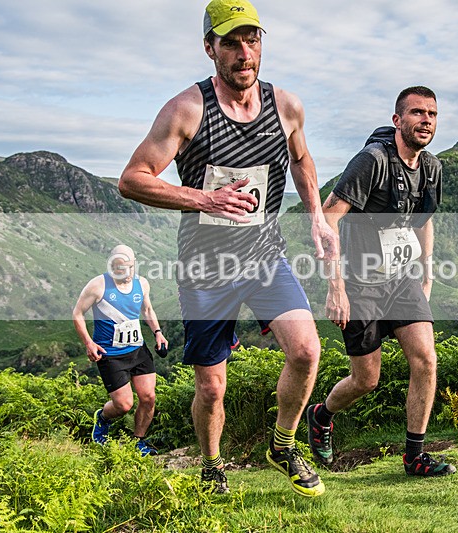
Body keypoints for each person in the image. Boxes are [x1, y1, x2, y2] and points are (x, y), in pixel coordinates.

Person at [118, 0, 337, 497]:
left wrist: (319, 218)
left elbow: (302, 160)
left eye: (252, 40)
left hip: (264, 254)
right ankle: (212, 467)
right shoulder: (187, 109)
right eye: (231, 43)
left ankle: (282, 445)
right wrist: (206, 198)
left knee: (306, 351)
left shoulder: (286, 105)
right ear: (209, 48)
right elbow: (132, 179)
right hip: (205, 266)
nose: (244, 53)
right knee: (212, 386)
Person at [307, 86, 456, 477]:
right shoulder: (372, 161)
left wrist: (427, 272)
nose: (426, 120)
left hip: (402, 279)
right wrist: (335, 287)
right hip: (360, 285)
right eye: (417, 113)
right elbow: (328, 218)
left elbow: (424, 223)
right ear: (397, 120)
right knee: (365, 379)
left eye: (432, 114)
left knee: (425, 359)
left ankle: (414, 457)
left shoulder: (432, 169)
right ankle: (321, 415)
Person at [72, 245, 167, 457]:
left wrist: (158, 333)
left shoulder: (141, 284)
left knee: (149, 397)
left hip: (137, 349)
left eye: (127, 267)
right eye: (118, 267)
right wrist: (88, 342)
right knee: (124, 405)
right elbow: (77, 314)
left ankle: (137, 442)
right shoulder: (98, 285)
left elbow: (147, 309)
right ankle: (103, 418)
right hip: (111, 354)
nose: (123, 272)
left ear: (134, 265)